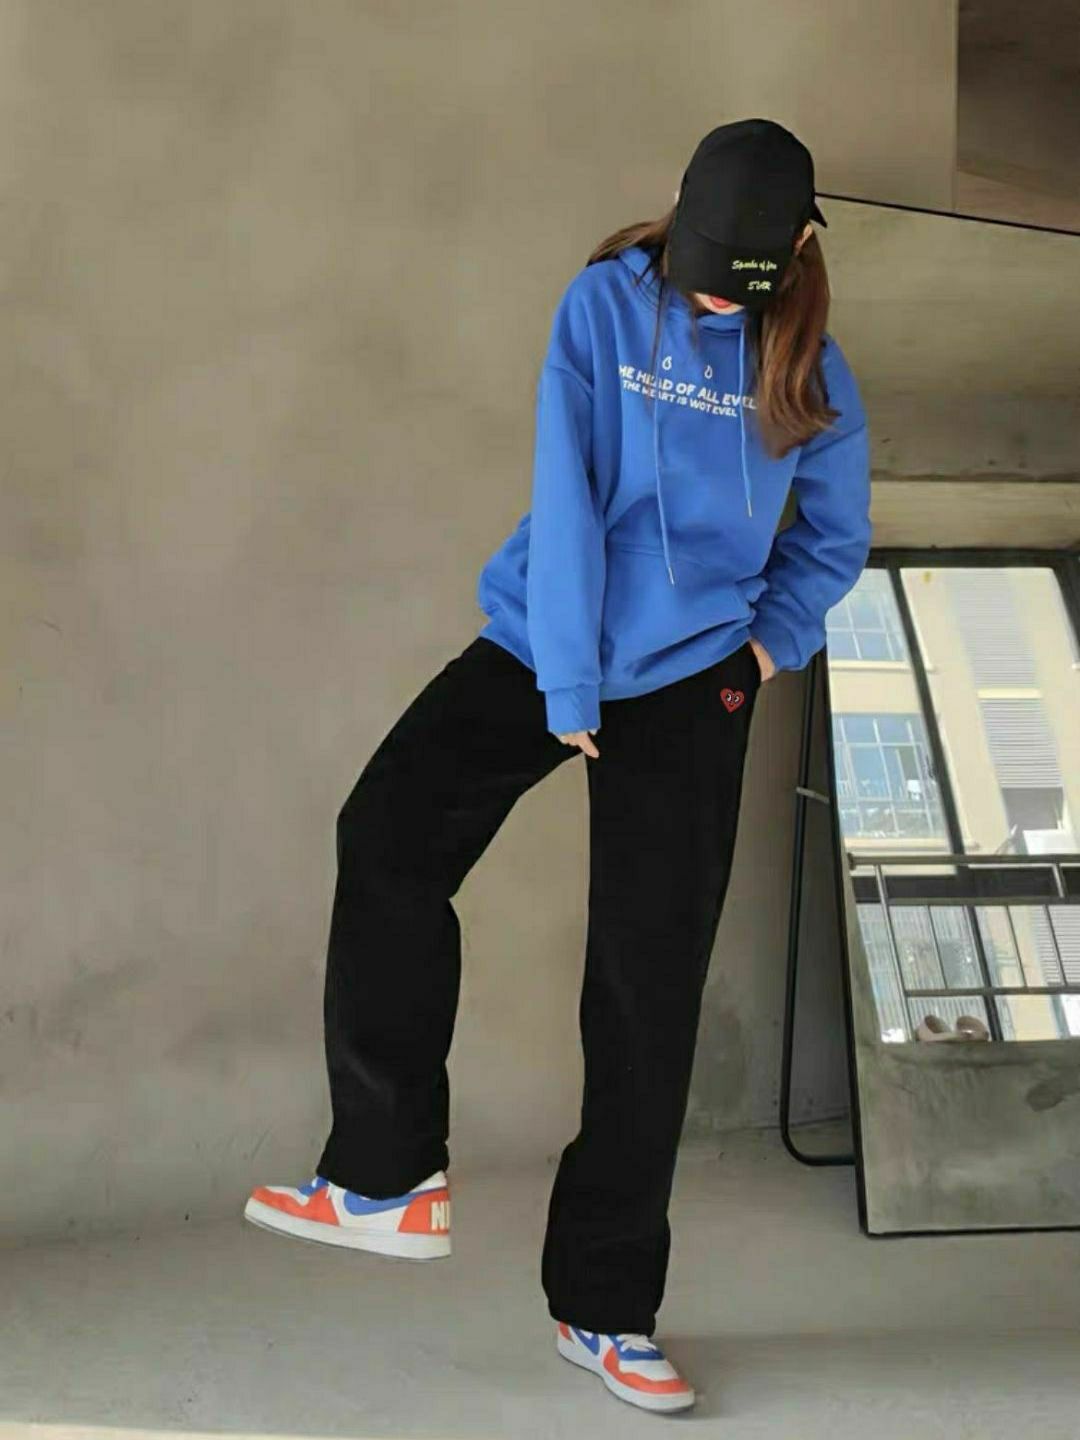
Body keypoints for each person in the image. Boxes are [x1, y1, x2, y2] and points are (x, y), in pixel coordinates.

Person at [244, 117, 872, 1415]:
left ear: (798, 255)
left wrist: (760, 656)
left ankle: (607, 1308)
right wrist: (570, 684)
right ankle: (385, 1173)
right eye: (704, 269)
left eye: (742, 281)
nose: (716, 298)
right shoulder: (605, 308)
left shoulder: (814, 375)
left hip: (697, 682)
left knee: (646, 998)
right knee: (389, 836)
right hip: (549, 642)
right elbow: (571, 493)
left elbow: (832, 543)